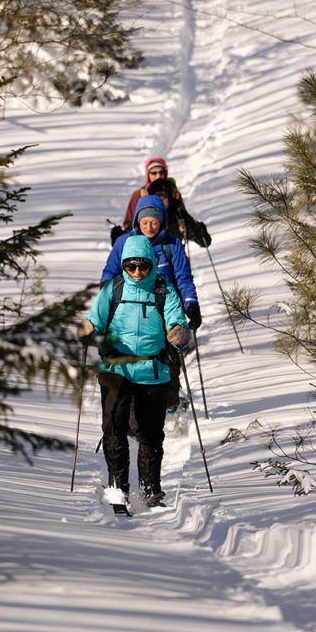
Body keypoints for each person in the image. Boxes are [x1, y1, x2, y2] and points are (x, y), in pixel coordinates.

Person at [77, 234, 190, 511]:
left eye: (143, 266)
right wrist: (89, 329)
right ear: (124, 266)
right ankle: (118, 489)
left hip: (153, 371)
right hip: (116, 368)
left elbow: (177, 319)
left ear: (152, 264)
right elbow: (96, 320)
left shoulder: (164, 291)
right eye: (131, 266)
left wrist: (178, 332)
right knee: (114, 427)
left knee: (150, 434)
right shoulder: (112, 290)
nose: (137, 272)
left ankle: (150, 491)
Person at [102, 193, 201, 410]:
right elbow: (110, 274)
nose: (149, 227)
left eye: (154, 222)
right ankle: (134, 410)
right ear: (137, 220)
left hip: (166, 309)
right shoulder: (123, 243)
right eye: (145, 222)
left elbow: (184, 277)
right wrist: (107, 303)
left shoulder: (171, 244)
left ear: (162, 222)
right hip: (130, 310)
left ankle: (170, 404)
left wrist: (191, 305)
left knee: (170, 357)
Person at [110, 156, 211, 248]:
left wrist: (199, 233)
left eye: (161, 172)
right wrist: (121, 236)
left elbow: (184, 223)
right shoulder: (138, 195)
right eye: (154, 173)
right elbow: (129, 224)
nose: (158, 176)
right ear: (148, 175)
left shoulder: (174, 196)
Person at [146, 176, 211, 248]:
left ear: (169, 198)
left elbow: (204, 242)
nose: (161, 201)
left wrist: (201, 233)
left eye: (164, 197)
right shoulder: (142, 217)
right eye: (157, 198)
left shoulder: (179, 216)